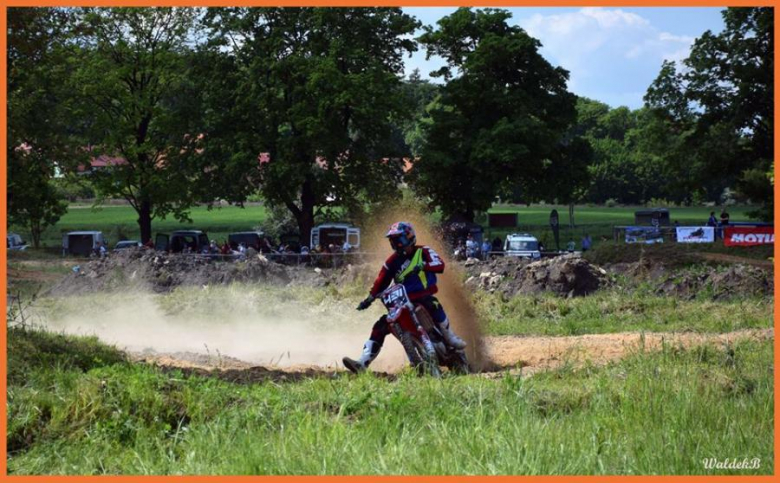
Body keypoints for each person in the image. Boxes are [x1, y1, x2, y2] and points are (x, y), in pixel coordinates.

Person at [343, 221, 466, 373]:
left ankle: (450, 337)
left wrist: (423, 266)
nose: (396, 244)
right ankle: (363, 362)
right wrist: (369, 298)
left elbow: (439, 265)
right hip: (401, 301)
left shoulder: (423, 251)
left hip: (423, 296)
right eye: (393, 241)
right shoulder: (392, 261)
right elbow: (381, 281)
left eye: (399, 240)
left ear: (410, 237)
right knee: (381, 325)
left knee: (432, 303)